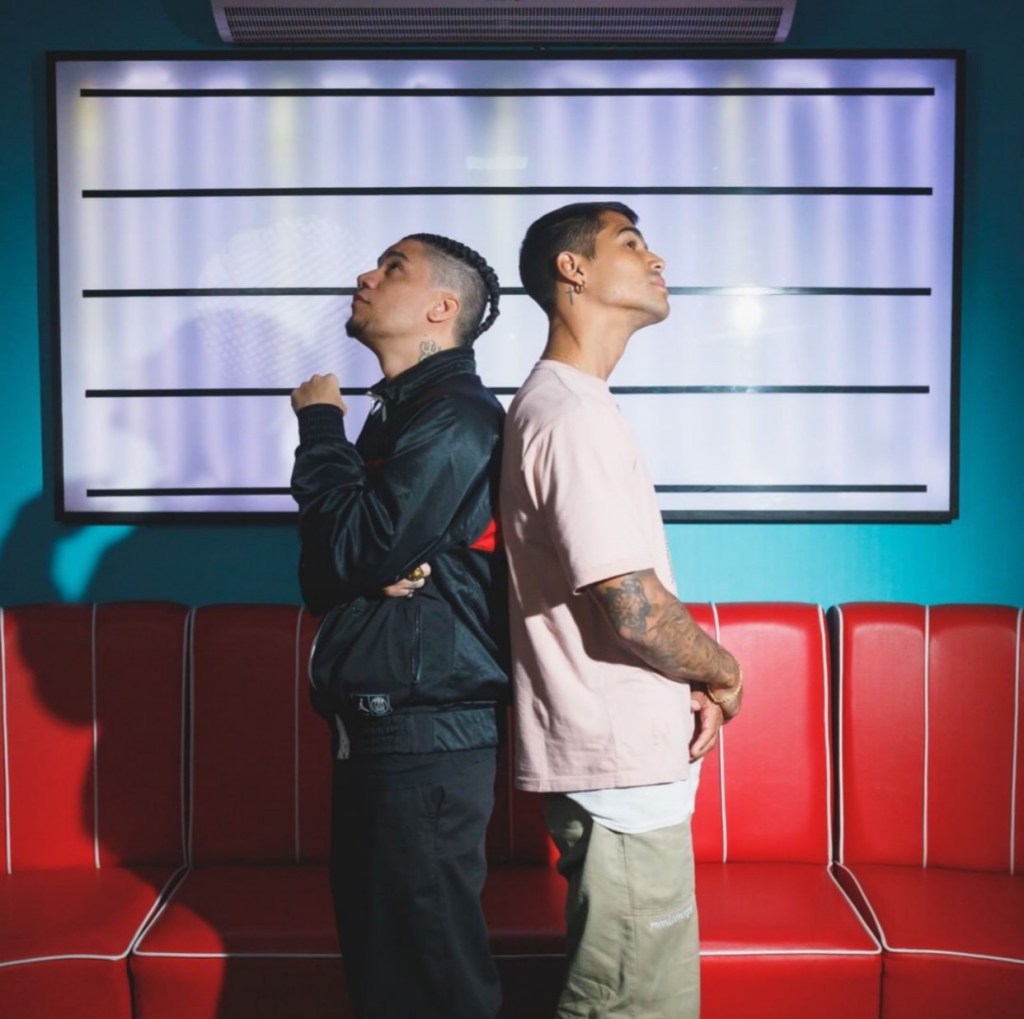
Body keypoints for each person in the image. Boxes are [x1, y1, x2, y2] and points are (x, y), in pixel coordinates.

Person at [501, 202, 744, 1019]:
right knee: (633, 1005)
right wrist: (726, 672)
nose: (657, 259)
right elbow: (633, 610)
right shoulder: (570, 414)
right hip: (620, 776)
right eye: (632, 244)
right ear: (572, 269)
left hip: (622, 768)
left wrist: (690, 683)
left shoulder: (573, 403)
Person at [290, 232, 509, 1019]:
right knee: (390, 979)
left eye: (392, 268)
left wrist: (321, 428)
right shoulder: (402, 416)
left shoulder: (455, 417)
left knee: (432, 982)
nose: (365, 275)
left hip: (425, 735)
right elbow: (325, 575)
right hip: (384, 727)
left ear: (441, 308)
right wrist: (356, 564)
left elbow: (349, 548)